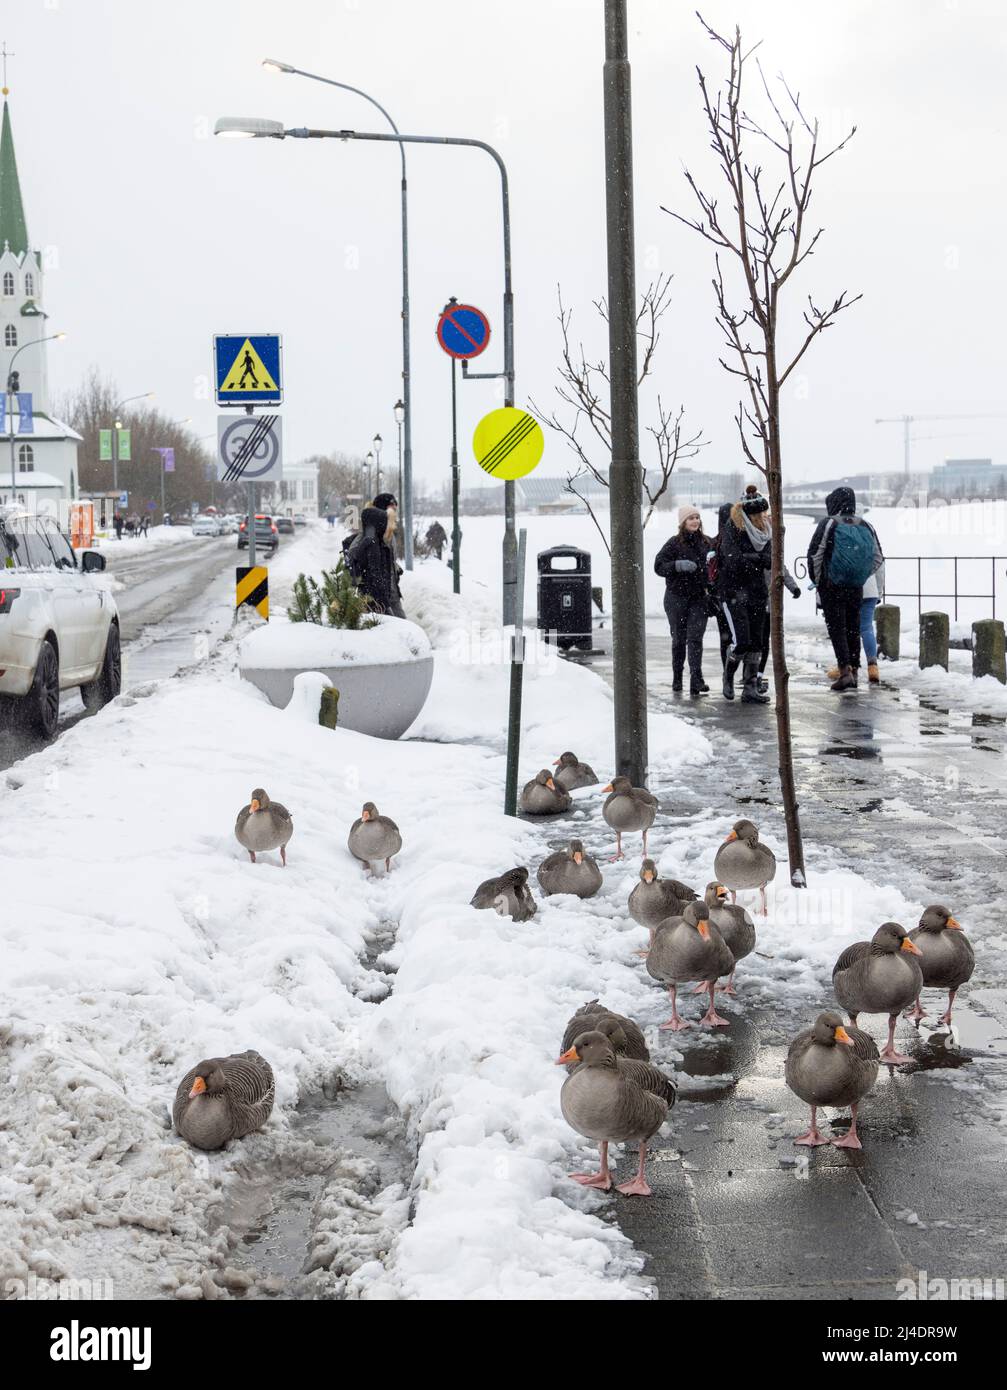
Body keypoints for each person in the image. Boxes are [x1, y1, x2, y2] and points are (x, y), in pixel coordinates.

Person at [807, 486, 883, 692]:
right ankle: (855, 671)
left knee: (837, 628)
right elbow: (878, 558)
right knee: (853, 627)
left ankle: (844, 672)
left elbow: (815, 554)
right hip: (856, 586)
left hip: (832, 587)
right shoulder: (866, 525)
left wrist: (819, 580)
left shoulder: (829, 523)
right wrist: (860, 575)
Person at [718, 486, 775, 704]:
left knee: (757, 642)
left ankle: (750, 686)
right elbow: (732, 560)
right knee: (741, 640)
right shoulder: (733, 527)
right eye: (757, 515)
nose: (761, 518)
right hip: (733, 591)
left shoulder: (766, 532)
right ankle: (729, 675)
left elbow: (770, 560)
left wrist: (750, 559)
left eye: (762, 514)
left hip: (757, 592)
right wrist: (755, 560)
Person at [654, 504, 711, 697]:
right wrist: (678, 565)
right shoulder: (674, 544)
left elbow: (714, 567)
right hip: (676, 597)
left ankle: (696, 679)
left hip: (698, 598)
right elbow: (659, 566)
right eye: (690, 518)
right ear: (683, 522)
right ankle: (677, 677)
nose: (695, 521)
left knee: (695, 638)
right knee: (679, 639)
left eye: (697, 517)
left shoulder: (706, 543)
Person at [347, 504, 406, 618]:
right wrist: (386, 605)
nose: (386, 525)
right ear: (377, 523)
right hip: (375, 603)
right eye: (383, 522)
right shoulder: (371, 544)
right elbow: (375, 576)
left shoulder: (376, 541)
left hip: (378, 600)